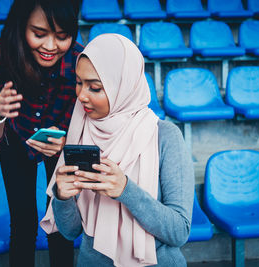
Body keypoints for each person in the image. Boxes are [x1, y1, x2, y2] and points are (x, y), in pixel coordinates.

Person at [40, 34, 195, 267]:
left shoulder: (164, 136)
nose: (81, 95)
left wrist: (125, 189)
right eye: (79, 83)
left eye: (95, 87)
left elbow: (178, 231)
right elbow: (71, 232)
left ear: (123, 87)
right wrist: (62, 197)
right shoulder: (78, 130)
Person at [0, 0, 82, 266]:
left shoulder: (80, 59)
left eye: (62, 37)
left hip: (61, 146)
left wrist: (66, 140)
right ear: (21, 27)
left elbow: (90, 121)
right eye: (39, 34)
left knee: (60, 223)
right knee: (22, 223)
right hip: (14, 140)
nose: (50, 46)